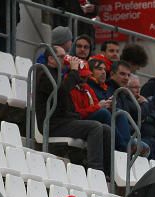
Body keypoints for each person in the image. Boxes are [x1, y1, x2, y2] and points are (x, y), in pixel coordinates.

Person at [35, 46, 112, 174]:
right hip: (52, 123)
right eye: (61, 56)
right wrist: (74, 71)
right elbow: (61, 92)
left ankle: (107, 173)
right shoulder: (43, 73)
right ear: (50, 59)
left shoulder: (58, 75)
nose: (65, 59)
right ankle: (95, 171)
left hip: (64, 120)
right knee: (95, 127)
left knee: (106, 130)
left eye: (65, 56)